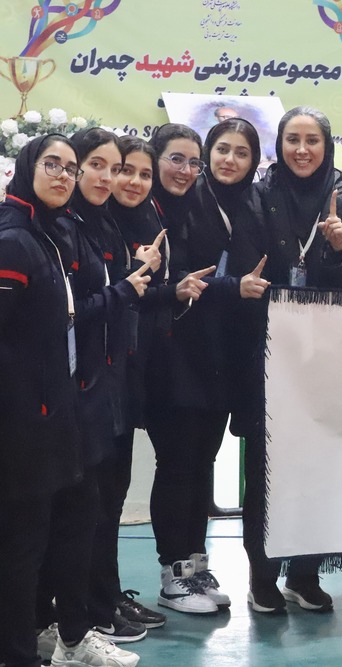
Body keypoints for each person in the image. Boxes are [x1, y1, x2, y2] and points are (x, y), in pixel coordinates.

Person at [0, 134, 139, 667]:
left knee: (57, 532)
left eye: (69, 168)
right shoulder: (15, 240)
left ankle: (55, 639)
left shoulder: (48, 233)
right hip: (25, 422)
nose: (63, 175)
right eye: (52, 165)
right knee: (23, 548)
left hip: (56, 413)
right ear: (28, 168)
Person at [244, 106, 342, 614]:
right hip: (269, 355)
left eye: (312, 140)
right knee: (265, 470)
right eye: (292, 140)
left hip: (330, 358)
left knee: (320, 466)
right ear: (280, 145)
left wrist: (341, 248)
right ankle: (262, 576)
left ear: (328, 146)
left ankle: (305, 574)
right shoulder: (259, 195)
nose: (302, 150)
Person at [48, 128, 159, 648]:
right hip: (75, 389)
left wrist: (140, 281)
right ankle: (79, 615)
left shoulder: (104, 222)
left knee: (105, 502)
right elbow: (70, 312)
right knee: (78, 511)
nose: (110, 178)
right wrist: (127, 287)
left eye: (117, 169)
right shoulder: (62, 227)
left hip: (109, 383)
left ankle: (103, 599)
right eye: (98, 165)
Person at [143, 123, 227, 615]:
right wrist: (172, 288)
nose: (186, 170)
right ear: (155, 159)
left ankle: (195, 565)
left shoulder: (203, 206)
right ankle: (172, 572)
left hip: (207, 354)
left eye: (194, 162)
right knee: (175, 463)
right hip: (164, 358)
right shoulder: (142, 211)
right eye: (176, 159)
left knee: (202, 461)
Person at [106, 136, 172, 629]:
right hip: (96, 380)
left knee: (114, 489)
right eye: (124, 170)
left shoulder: (149, 221)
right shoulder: (93, 223)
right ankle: (89, 602)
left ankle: (106, 593)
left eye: (144, 174)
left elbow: (144, 299)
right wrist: (135, 271)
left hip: (130, 376)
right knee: (94, 499)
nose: (134, 181)